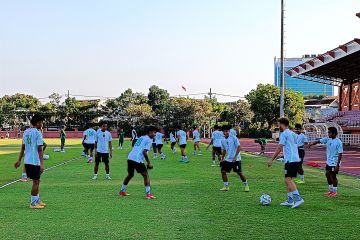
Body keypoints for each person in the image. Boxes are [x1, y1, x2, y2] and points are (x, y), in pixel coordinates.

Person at [267, 118, 304, 208]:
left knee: (288, 179)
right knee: (287, 179)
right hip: (294, 160)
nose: (278, 126)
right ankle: (290, 200)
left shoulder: (284, 134)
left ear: (282, 124)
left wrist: (271, 159)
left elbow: (279, 148)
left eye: (278, 124)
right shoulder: (293, 133)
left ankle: (298, 199)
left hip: (291, 161)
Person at [14, 114, 46, 209]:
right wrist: (42, 164)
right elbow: (40, 149)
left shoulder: (26, 132)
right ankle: (33, 203)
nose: (42, 124)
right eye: (41, 122)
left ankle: (37, 200)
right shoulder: (37, 133)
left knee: (37, 181)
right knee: (36, 182)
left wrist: (19, 160)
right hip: (34, 161)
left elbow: (23, 147)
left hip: (27, 160)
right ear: (38, 123)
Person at [119, 126, 158, 200]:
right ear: (149, 132)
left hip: (130, 157)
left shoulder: (141, 137)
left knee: (130, 175)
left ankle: (122, 191)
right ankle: (148, 194)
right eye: (154, 132)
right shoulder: (149, 140)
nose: (155, 134)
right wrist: (149, 163)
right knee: (146, 175)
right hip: (137, 159)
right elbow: (144, 152)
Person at [307, 127, 343, 197]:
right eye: (328, 132)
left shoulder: (338, 142)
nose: (328, 133)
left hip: (334, 162)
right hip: (328, 161)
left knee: (333, 176)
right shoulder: (327, 139)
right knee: (327, 174)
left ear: (334, 133)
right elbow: (319, 141)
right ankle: (330, 190)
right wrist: (311, 144)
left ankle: (335, 191)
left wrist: (337, 165)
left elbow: (340, 154)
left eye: (329, 132)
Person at [220, 125, 250, 192]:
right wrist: (222, 158)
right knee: (223, 171)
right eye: (224, 131)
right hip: (228, 159)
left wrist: (235, 157)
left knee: (239, 173)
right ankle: (226, 186)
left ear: (229, 131)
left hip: (236, 159)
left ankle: (246, 185)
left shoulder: (233, 138)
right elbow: (224, 150)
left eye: (227, 131)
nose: (226, 132)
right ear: (223, 132)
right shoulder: (222, 140)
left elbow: (239, 147)